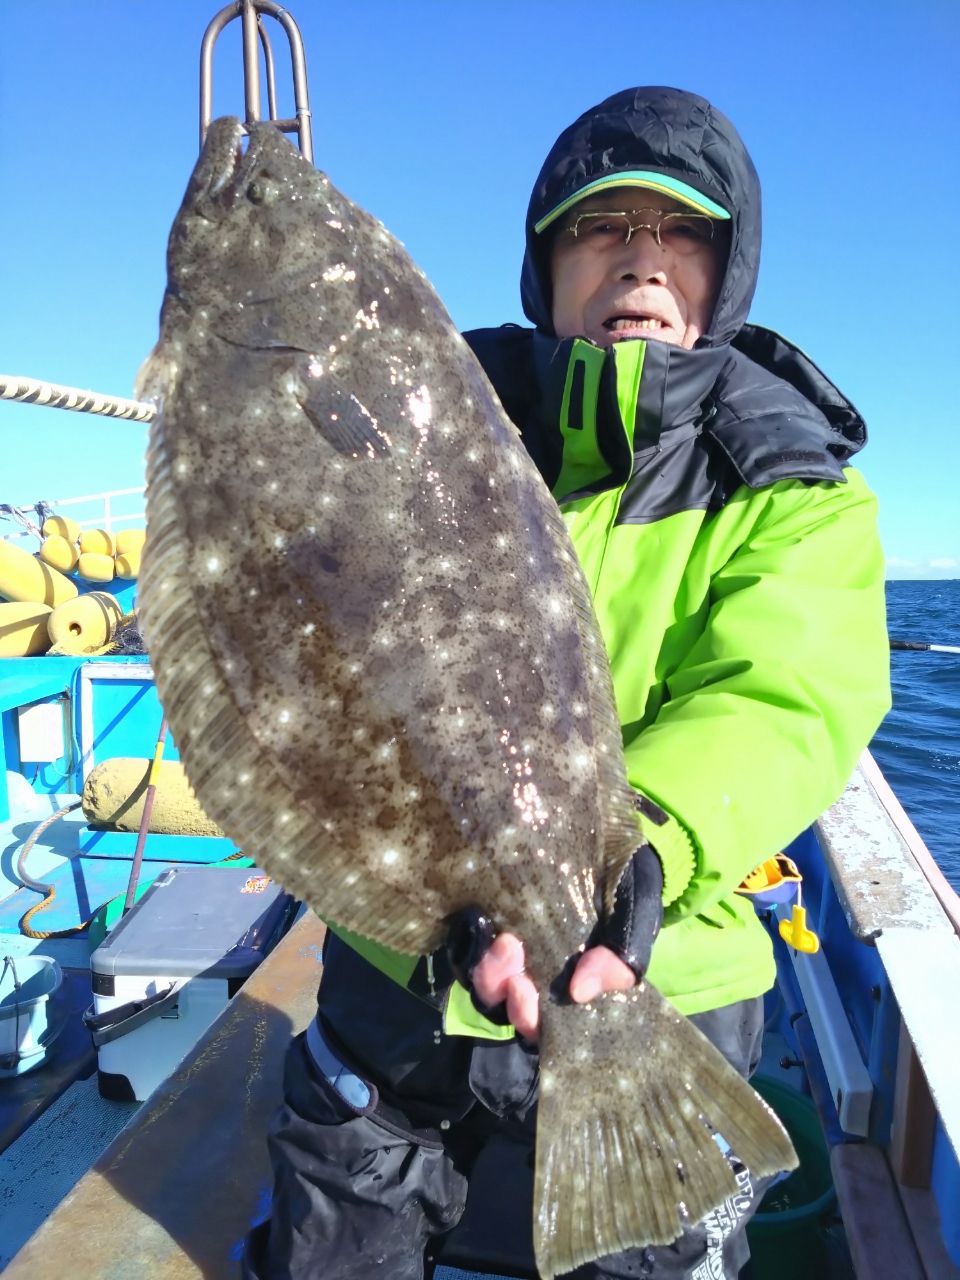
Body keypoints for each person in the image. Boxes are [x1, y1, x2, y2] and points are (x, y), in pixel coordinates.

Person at [244, 86, 890, 1280]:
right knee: (332, 1238)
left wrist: (638, 862)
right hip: (406, 965)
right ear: (547, 269)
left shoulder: (790, 484)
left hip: (661, 978)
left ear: (724, 275)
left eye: (680, 235)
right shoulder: (424, 424)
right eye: (605, 232)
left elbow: (787, 695)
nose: (642, 264)